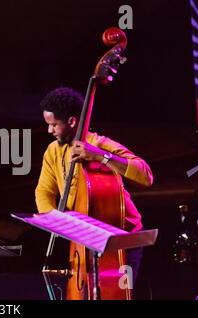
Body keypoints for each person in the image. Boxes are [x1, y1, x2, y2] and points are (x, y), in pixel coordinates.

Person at [35, 87, 153, 293]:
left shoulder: (98, 144)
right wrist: (57, 222)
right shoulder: (52, 150)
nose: (49, 131)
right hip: (84, 239)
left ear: (71, 122)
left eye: (54, 125)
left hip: (123, 239)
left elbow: (145, 175)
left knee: (117, 294)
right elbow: (43, 191)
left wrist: (101, 156)